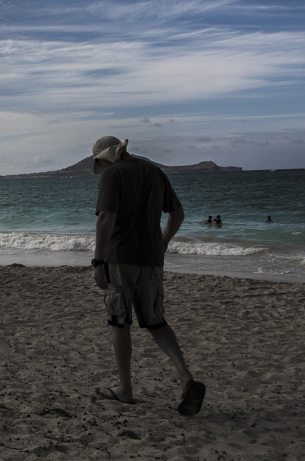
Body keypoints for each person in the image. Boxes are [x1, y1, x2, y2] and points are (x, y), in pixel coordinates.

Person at [90, 135, 205, 416]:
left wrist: (97, 261)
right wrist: (162, 243)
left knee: (120, 322)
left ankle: (125, 390)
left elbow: (106, 218)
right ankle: (185, 377)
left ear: (104, 158)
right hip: (151, 259)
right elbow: (177, 214)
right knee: (156, 321)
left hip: (121, 257)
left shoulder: (111, 175)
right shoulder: (154, 171)